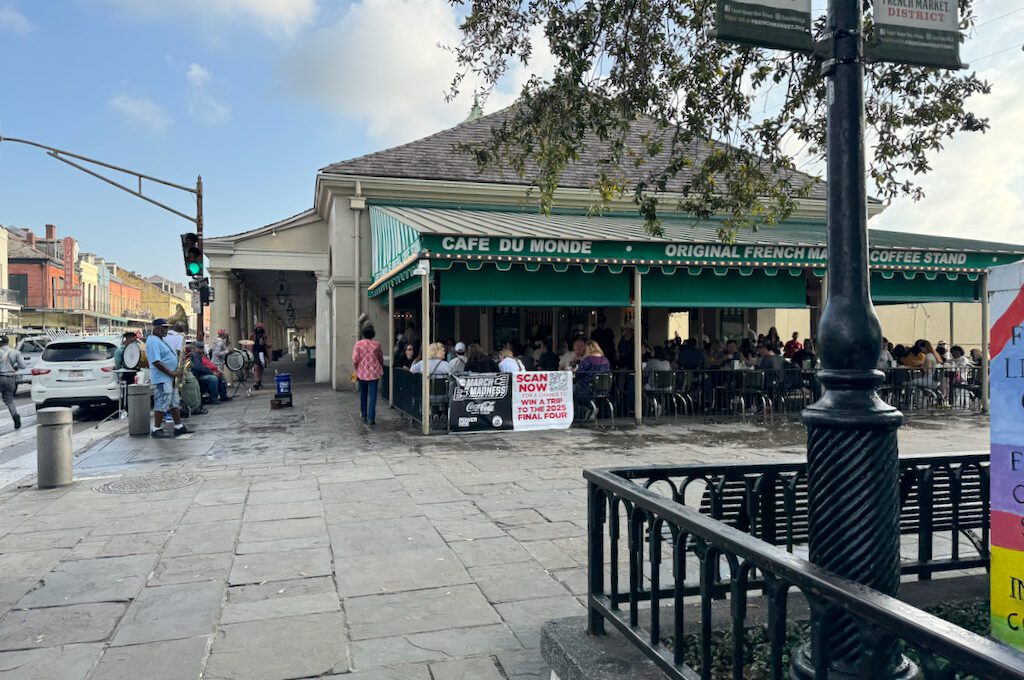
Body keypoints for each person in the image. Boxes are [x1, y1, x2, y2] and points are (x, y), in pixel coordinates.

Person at [145, 318, 190, 438]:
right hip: (162, 377)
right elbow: (156, 361)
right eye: (165, 328)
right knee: (161, 401)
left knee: (174, 402)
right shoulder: (153, 341)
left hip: (170, 377)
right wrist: (171, 372)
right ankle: (157, 428)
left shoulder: (161, 340)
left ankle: (178, 426)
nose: (167, 330)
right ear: (157, 328)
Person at [352, 324, 384, 424]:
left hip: (362, 372)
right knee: (373, 395)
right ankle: (371, 418)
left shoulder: (358, 344)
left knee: (363, 393)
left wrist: (357, 367)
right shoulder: (377, 345)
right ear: (372, 334)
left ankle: (364, 413)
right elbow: (380, 358)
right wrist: (381, 366)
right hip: (374, 373)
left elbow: (355, 359)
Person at [0, 336, 26, 429]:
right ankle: (15, 416)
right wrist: (14, 367)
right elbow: (23, 366)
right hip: (11, 378)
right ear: (8, 342)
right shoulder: (15, 352)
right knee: (9, 400)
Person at [250, 323, 271, 389]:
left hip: (262, 352)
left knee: (261, 367)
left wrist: (264, 343)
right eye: (257, 328)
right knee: (256, 367)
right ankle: (256, 381)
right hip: (255, 352)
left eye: (260, 328)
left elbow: (269, 344)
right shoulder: (252, 335)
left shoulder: (265, 335)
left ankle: (259, 382)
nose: (259, 329)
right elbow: (249, 343)